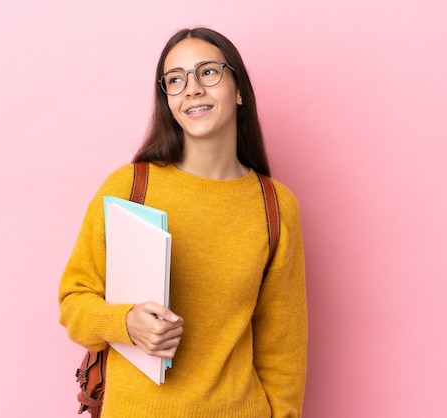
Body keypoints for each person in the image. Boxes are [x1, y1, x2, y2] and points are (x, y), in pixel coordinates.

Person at [59, 27, 307, 417]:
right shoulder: (129, 186)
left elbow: (283, 348)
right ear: (168, 101)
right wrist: (125, 322)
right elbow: (74, 302)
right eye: (176, 80)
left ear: (239, 90)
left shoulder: (275, 205)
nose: (192, 88)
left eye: (208, 72)